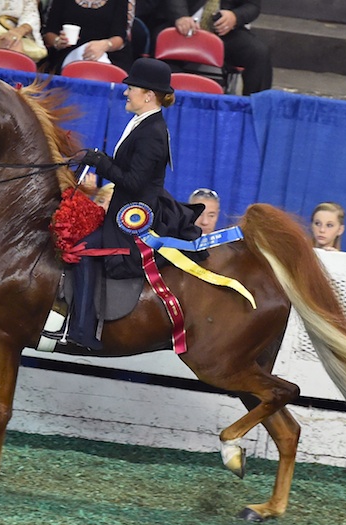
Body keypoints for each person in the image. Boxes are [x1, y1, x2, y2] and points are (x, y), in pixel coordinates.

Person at [68, 58, 204, 348]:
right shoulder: (142, 122)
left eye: (131, 88)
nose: (126, 92)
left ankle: (84, 329)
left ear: (148, 95)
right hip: (125, 209)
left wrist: (99, 161)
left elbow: (132, 182)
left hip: (136, 219)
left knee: (83, 250)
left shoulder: (152, 132)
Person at [162, 0, 271, 95]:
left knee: (258, 52)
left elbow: (252, 5)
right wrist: (180, 16)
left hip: (223, 31)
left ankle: (256, 111)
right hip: (183, 26)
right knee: (163, 48)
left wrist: (235, 16)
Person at [41, 0, 131, 73]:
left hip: (108, 52)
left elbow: (120, 37)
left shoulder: (119, 2)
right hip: (67, 51)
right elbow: (49, 33)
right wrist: (57, 41)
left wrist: (105, 45)